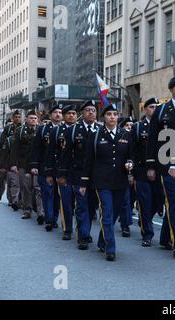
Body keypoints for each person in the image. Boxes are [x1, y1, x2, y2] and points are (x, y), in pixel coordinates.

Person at [80, 104, 134, 261]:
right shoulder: (96, 135)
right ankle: (111, 248)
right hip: (101, 181)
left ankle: (102, 239)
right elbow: (88, 160)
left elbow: (131, 155)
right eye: (109, 114)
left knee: (115, 213)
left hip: (120, 181)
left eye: (115, 114)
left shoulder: (125, 134)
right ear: (103, 117)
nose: (112, 117)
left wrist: (130, 163)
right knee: (107, 213)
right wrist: (84, 182)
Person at [147, 75, 175, 259]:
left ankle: (165, 237)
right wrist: (151, 165)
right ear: (171, 90)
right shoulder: (162, 110)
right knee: (174, 203)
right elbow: (152, 138)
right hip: (166, 165)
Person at [59, 100, 102, 250]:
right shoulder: (73, 131)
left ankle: (86, 230)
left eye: (93, 110)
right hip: (78, 174)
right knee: (82, 206)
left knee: (91, 207)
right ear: (82, 114)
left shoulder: (100, 129)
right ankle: (82, 236)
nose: (91, 112)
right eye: (88, 110)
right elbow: (65, 155)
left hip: (96, 175)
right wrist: (63, 174)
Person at [45, 105, 77, 240]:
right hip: (63, 171)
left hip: (79, 172)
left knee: (81, 204)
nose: (71, 116)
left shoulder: (81, 129)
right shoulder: (57, 131)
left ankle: (82, 231)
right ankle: (67, 229)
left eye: (74, 113)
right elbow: (50, 153)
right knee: (66, 203)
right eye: (68, 113)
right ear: (64, 116)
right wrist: (49, 173)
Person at [30, 105, 63, 232]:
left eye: (60, 112)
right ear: (51, 114)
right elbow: (36, 149)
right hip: (45, 167)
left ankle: (54, 218)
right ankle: (49, 220)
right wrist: (34, 165)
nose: (58, 114)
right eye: (55, 112)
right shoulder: (43, 129)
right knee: (47, 194)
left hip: (60, 168)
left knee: (57, 196)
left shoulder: (66, 130)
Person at [10, 110, 45, 223]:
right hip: (23, 164)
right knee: (26, 188)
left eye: (35, 118)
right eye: (31, 118)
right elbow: (15, 149)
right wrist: (14, 164)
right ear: (26, 119)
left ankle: (40, 212)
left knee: (38, 188)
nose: (33, 120)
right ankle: (27, 210)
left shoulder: (41, 130)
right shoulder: (20, 131)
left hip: (37, 164)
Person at [133, 100, 158, 247]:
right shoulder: (138, 128)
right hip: (142, 171)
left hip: (159, 170)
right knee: (145, 202)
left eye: (156, 107)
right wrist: (132, 172)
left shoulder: (162, 126)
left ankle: (145, 219)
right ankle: (147, 234)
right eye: (151, 107)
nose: (154, 110)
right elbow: (133, 151)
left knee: (158, 200)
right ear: (145, 109)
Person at [0, 111, 22, 206]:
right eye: (16, 117)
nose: (18, 118)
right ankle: (0, 193)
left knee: (14, 181)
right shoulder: (7, 129)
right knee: (3, 179)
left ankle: (14, 200)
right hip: (5, 157)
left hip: (17, 158)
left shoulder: (23, 128)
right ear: (13, 118)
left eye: (19, 117)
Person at [118, 116, 136, 238]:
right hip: (118, 173)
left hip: (132, 172)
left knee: (129, 199)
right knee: (123, 200)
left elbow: (133, 155)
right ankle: (124, 223)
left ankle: (125, 223)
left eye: (131, 125)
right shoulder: (120, 136)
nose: (129, 127)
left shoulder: (133, 137)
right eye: (127, 125)